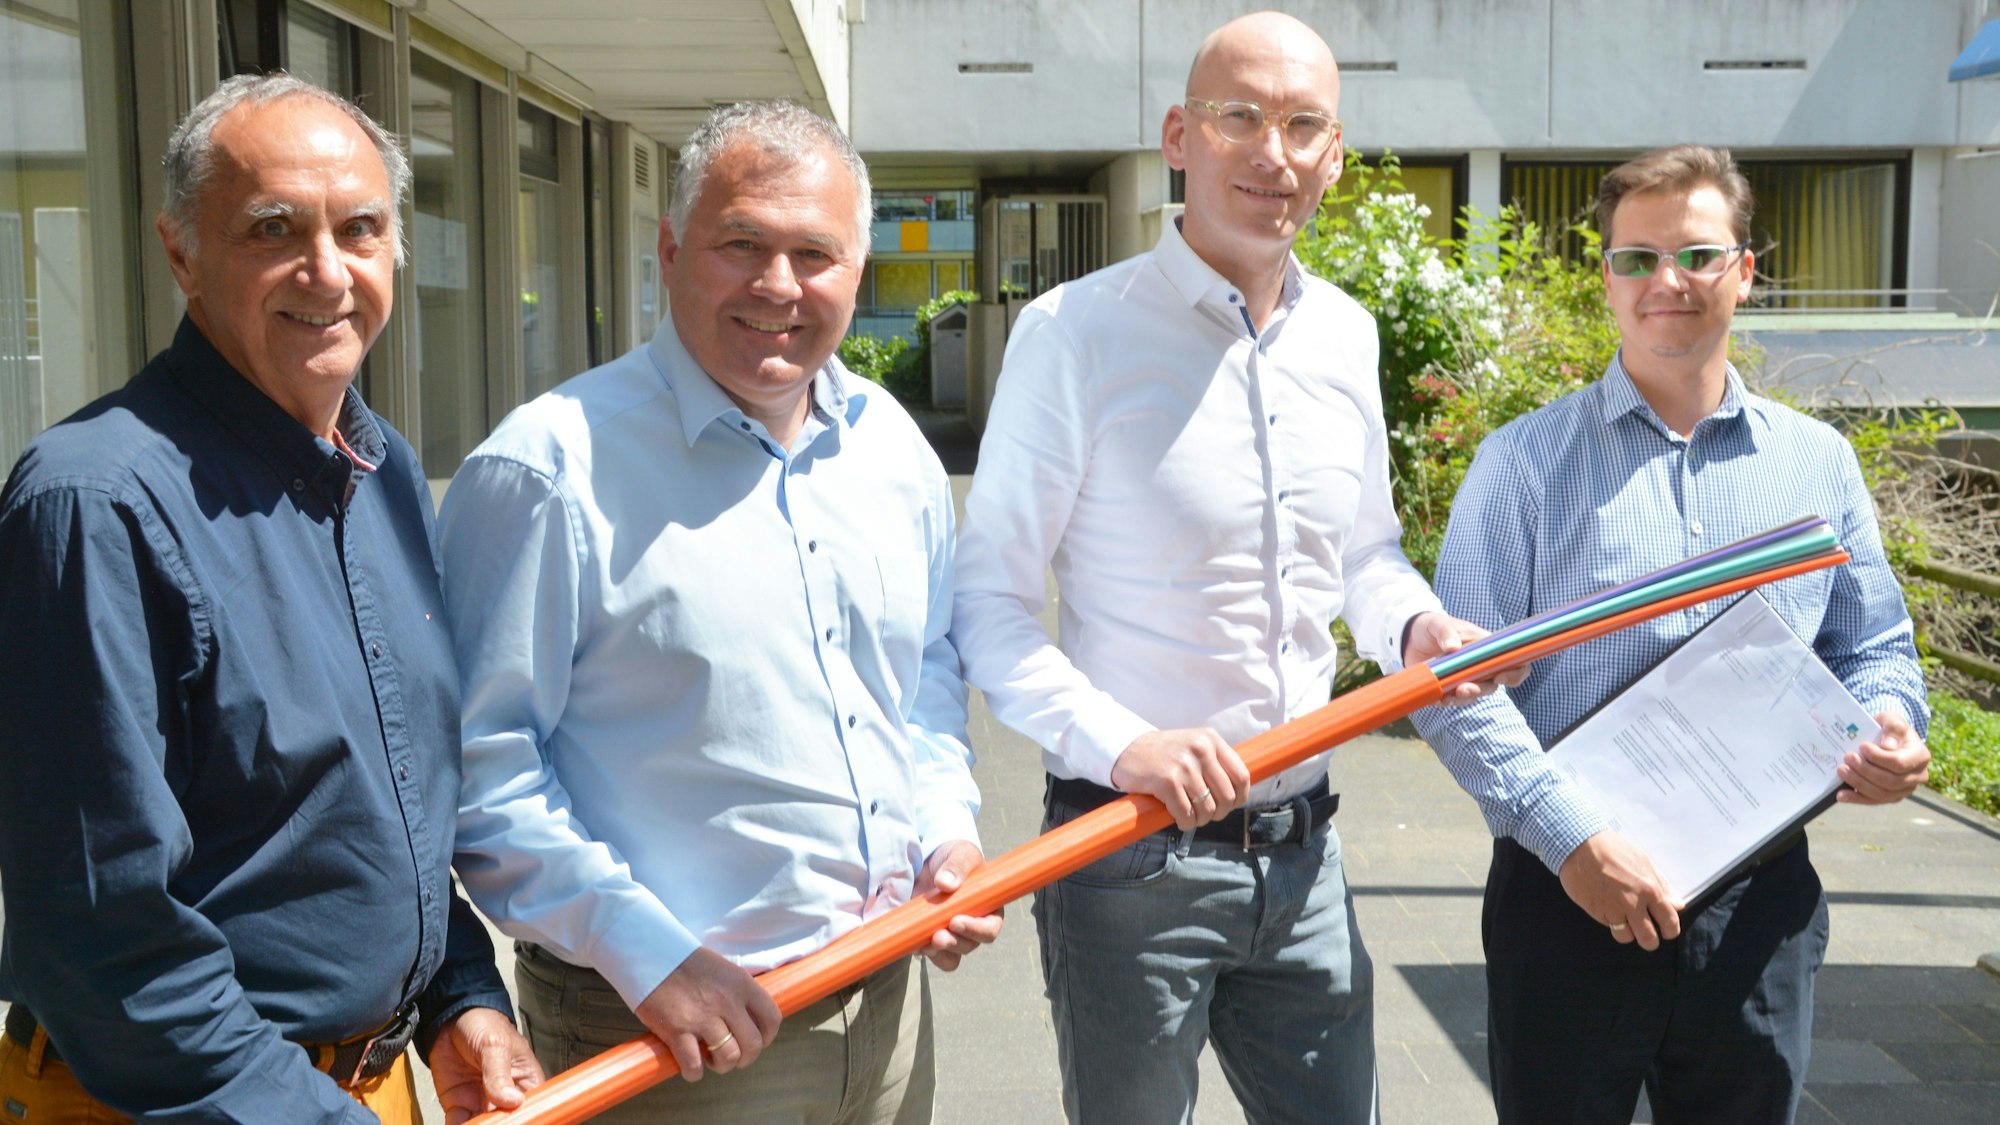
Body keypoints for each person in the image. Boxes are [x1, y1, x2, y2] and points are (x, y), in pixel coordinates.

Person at [951, 12, 1514, 1123]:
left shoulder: (1344, 336)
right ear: (1177, 134)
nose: (1273, 152)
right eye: (1238, 117)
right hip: (1127, 858)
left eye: (1303, 124)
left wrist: (1413, 630)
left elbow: (1364, 553)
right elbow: (990, 605)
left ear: (1335, 152)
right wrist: (1128, 745)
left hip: (1307, 855)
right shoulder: (1073, 333)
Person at [440, 100, 1000, 1123]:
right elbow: (480, 770)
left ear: (857, 269)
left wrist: (943, 834)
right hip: (663, 1034)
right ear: (668, 250)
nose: (777, 286)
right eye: (740, 244)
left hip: (887, 1005)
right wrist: (651, 958)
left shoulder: (892, 453)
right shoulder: (548, 471)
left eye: (813, 254)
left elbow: (917, 680)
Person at [0, 74, 539, 1124]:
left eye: (362, 227)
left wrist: (455, 995)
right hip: (166, 1102)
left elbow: (372, 810)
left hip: (367, 1087)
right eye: (273, 229)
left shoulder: (376, 473)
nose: (328, 272)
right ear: (180, 252)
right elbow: (102, 934)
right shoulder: (92, 503)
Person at [1410, 144, 1933, 1124]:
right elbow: (1454, 690)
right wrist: (1572, 844)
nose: (1666, 282)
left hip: (1756, 911)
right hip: (1564, 895)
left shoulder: (1815, 465)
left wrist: (1890, 728)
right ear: (1604, 278)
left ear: (1743, 270)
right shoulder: (1520, 465)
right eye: (1635, 258)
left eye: (1696, 254)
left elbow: (1872, 647)